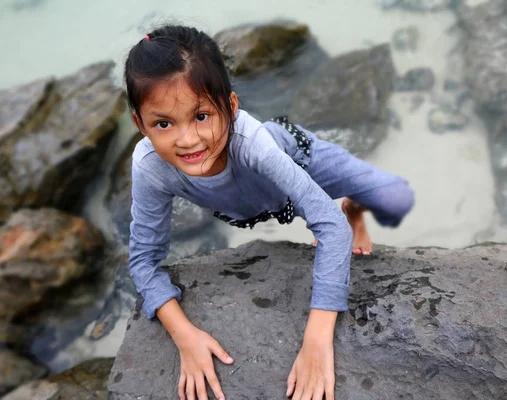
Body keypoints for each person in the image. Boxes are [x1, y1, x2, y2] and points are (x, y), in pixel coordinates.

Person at [125, 24, 414, 400]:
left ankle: (353, 205)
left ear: (230, 106)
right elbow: (143, 260)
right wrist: (185, 337)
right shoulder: (151, 166)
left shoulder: (253, 145)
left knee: (396, 199)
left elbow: (331, 229)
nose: (188, 140)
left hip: (302, 162)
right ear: (140, 125)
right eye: (163, 123)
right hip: (261, 200)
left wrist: (316, 339)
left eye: (201, 116)